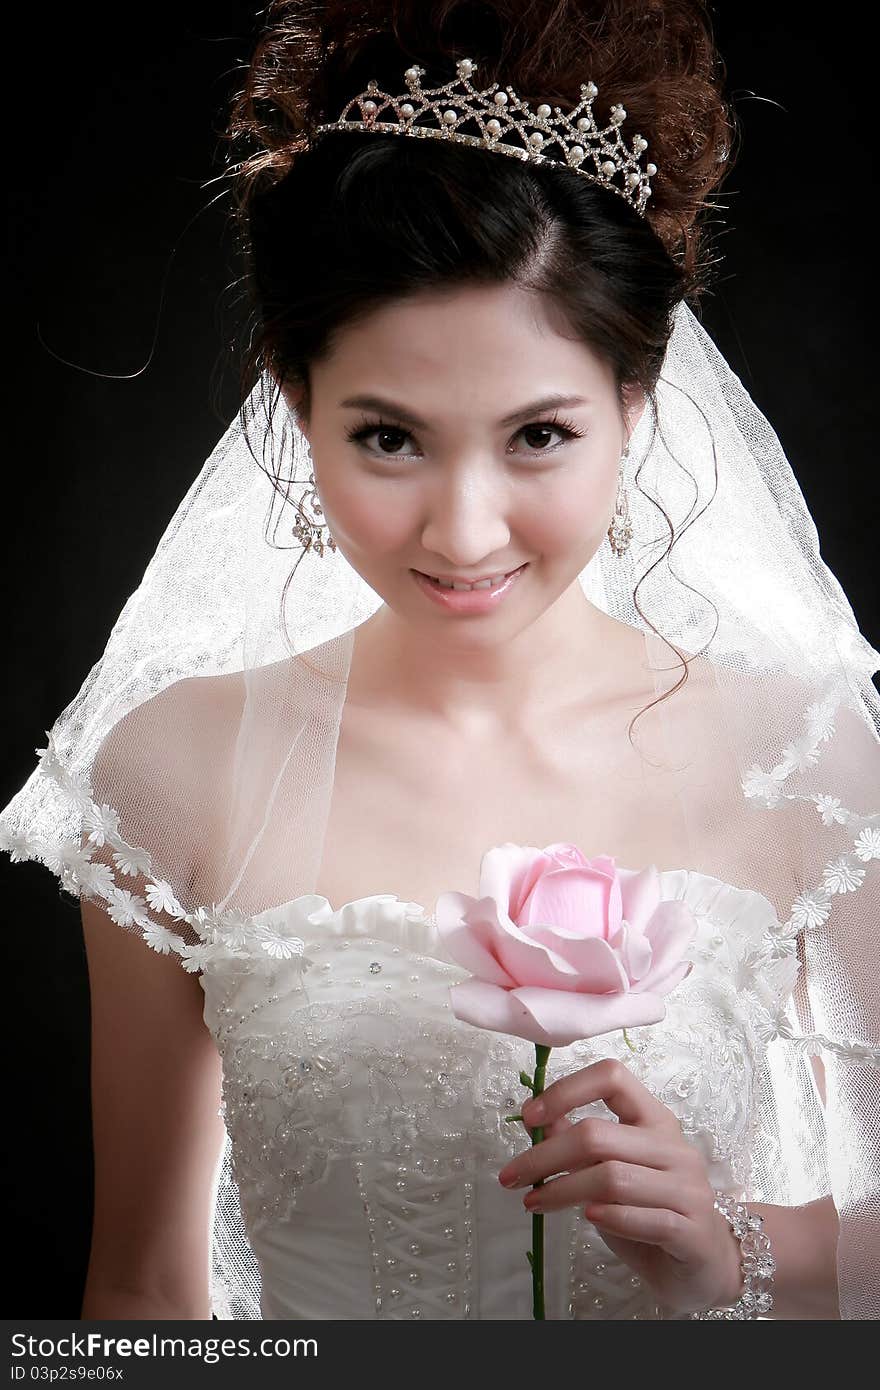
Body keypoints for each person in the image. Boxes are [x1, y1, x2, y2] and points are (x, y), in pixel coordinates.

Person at [2, 0, 878, 1322]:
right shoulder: (170, 770)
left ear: (636, 402)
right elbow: (139, 1293)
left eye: (538, 435)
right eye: (391, 440)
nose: (465, 535)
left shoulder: (800, 755)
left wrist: (734, 1249)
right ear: (296, 404)